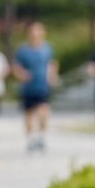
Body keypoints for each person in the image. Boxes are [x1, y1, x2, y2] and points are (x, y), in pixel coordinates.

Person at [12, 21, 58, 151]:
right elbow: (16, 67)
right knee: (29, 114)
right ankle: (31, 138)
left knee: (44, 112)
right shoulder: (23, 50)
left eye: (38, 31)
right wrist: (22, 75)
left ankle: (42, 136)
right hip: (28, 88)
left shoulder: (47, 48)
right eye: (33, 31)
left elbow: (52, 63)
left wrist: (52, 76)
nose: (35, 34)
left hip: (43, 86)